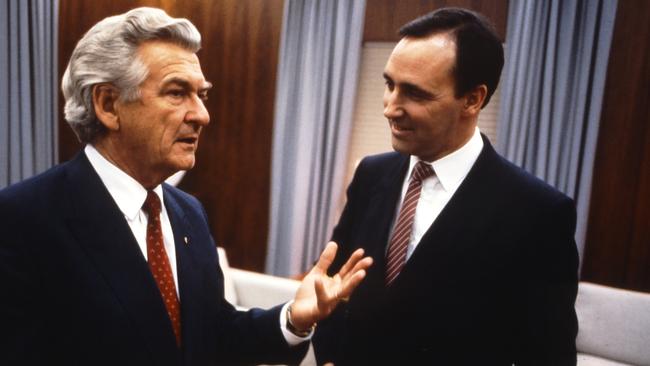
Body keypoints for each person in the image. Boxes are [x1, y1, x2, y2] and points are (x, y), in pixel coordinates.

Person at [0, 7, 372, 366]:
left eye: (202, 94)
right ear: (109, 105)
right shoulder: (23, 219)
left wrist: (294, 318)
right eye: (177, 93)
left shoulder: (187, 212)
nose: (202, 115)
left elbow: (212, 333)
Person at [313, 7, 579, 366]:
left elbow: (549, 357)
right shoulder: (371, 175)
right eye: (389, 84)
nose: (390, 108)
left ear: (472, 99)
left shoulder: (539, 213)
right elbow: (330, 286)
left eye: (415, 94)